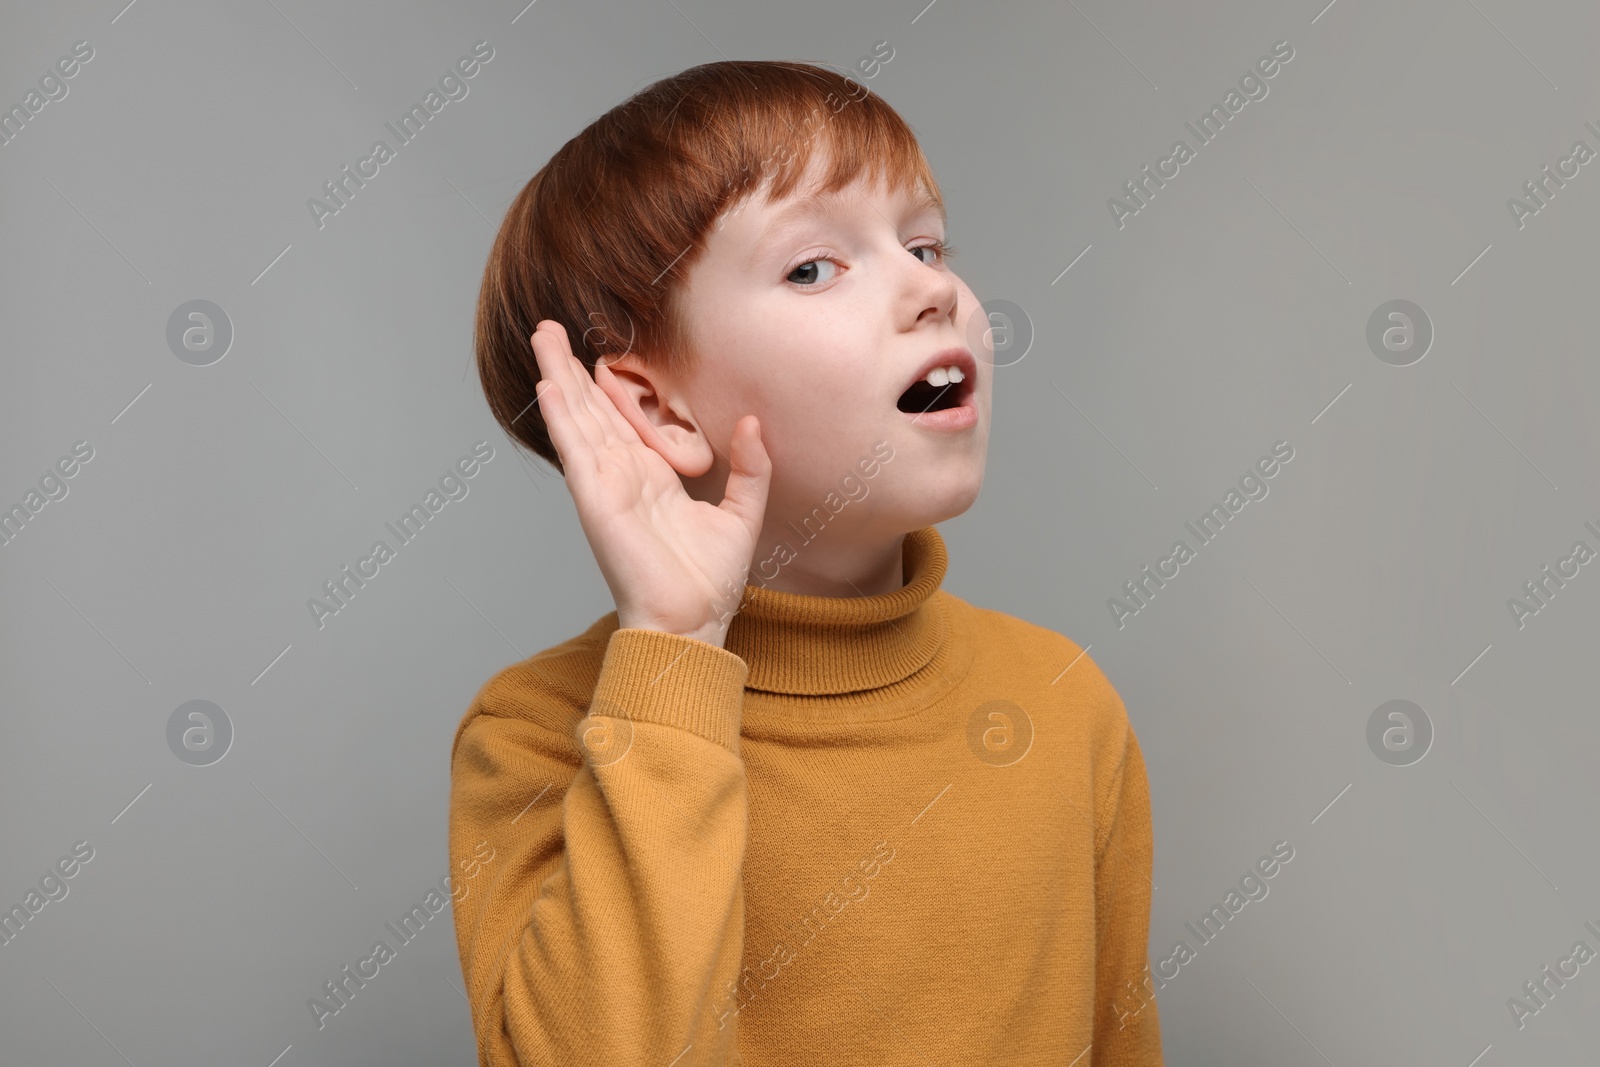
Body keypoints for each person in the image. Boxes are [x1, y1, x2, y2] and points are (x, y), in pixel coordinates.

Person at [450, 58, 1163, 1066]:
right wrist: (672, 650)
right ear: (654, 408)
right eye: (813, 266)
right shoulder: (532, 734)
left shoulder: (1063, 702)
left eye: (923, 242)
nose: (932, 289)